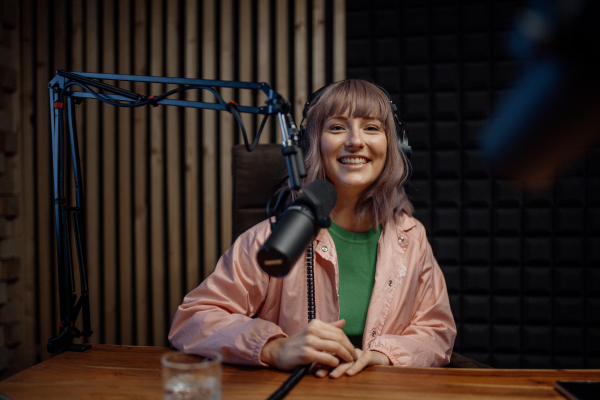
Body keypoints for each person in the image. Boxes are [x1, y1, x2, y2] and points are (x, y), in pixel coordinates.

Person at [169, 79, 456, 378]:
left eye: (371, 127)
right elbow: (193, 319)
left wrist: (384, 356)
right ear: (313, 143)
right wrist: (273, 347)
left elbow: (438, 332)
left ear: (394, 146)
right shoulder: (272, 237)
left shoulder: (411, 238)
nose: (355, 141)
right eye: (336, 127)